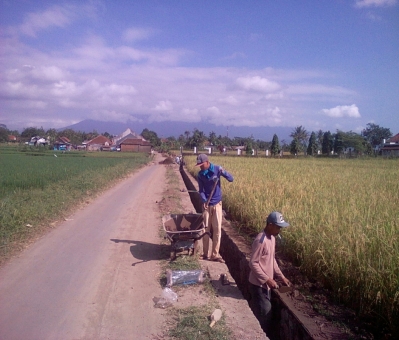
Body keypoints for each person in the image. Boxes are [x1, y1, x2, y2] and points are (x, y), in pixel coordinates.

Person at [248, 211, 292, 334]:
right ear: (270, 225)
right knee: (264, 313)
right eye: (278, 227)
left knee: (265, 312)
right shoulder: (260, 241)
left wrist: (281, 277)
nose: (279, 230)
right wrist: (267, 279)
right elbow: (253, 263)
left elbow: (272, 260)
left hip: (265, 285)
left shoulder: (272, 238)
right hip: (258, 285)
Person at [196, 154, 234, 263]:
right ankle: (204, 253)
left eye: (202, 165)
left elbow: (231, 179)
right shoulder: (200, 175)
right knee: (205, 229)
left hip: (217, 204)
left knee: (217, 230)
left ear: (207, 162)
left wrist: (224, 172)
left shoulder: (217, 169)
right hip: (206, 205)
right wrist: (204, 201)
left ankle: (215, 255)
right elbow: (201, 190)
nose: (200, 167)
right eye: (199, 165)